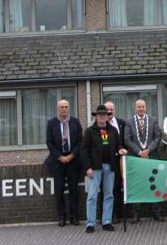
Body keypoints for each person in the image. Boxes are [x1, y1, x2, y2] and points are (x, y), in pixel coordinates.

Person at [81, 104, 127, 233]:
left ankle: (107, 221)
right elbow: (84, 151)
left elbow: (118, 145)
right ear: (96, 117)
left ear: (107, 116)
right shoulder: (89, 131)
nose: (102, 117)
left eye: (104, 115)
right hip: (95, 168)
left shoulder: (113, 130)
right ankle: (90, 223)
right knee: (92, 196)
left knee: (109, 195)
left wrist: (121, 150)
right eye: (99, 115)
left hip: (110, 167)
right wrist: (88, 167)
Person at [123, 99, 163, 222]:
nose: (141, 109)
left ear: (146, 108)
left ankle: (156, 212)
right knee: (137, 185)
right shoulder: (129, 122)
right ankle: (136, 213)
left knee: (154, 184)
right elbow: (127, 139)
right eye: (138, 107)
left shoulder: (153, 120)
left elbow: (157, 137)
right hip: (136, 158)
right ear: (135, 108)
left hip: (151, 157)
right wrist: (140, 152)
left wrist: (148, 150)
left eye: (143, 106)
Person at [45, 99, 83, 227]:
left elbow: (79, 141)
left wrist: (72, 155)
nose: (64, 109)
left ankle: (74, 216)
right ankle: (61, 217)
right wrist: (60, 157)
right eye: (62, 107)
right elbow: (49, 142)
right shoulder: (51, 123)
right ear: (58, 109)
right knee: (59, 190)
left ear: (69, 108)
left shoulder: (76, 122)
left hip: (73, 161)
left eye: (66, 107)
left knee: (74, 190)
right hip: (58, 161)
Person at [104, 101, 127, 224]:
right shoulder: (100, 125)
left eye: (111, 109)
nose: (110, 111)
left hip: (120, 162)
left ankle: (117, 214)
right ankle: (108, 215)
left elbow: (124, 141)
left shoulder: (122, 123)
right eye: (107, 109)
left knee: (118, 188)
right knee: (107, 189)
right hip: (107, 162)